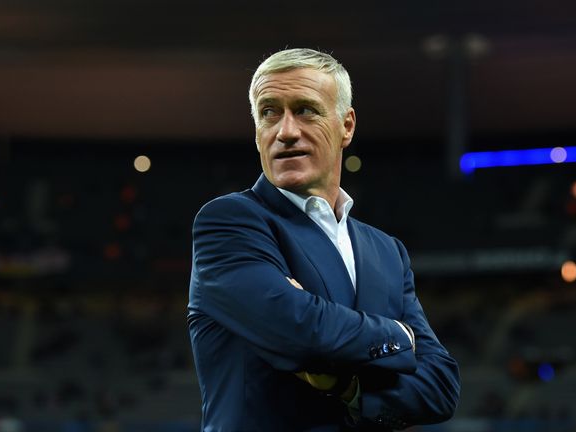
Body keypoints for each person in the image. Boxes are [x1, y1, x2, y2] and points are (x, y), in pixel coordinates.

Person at [188, 48, 460, 431]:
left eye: (305, 110)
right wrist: (400, 336)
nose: (285, 132)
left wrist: (347, 386)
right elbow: (298, 331)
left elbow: (441, 388)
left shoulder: (386, 251)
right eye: (269, 113)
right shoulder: (230, 223)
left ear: (346, 126)